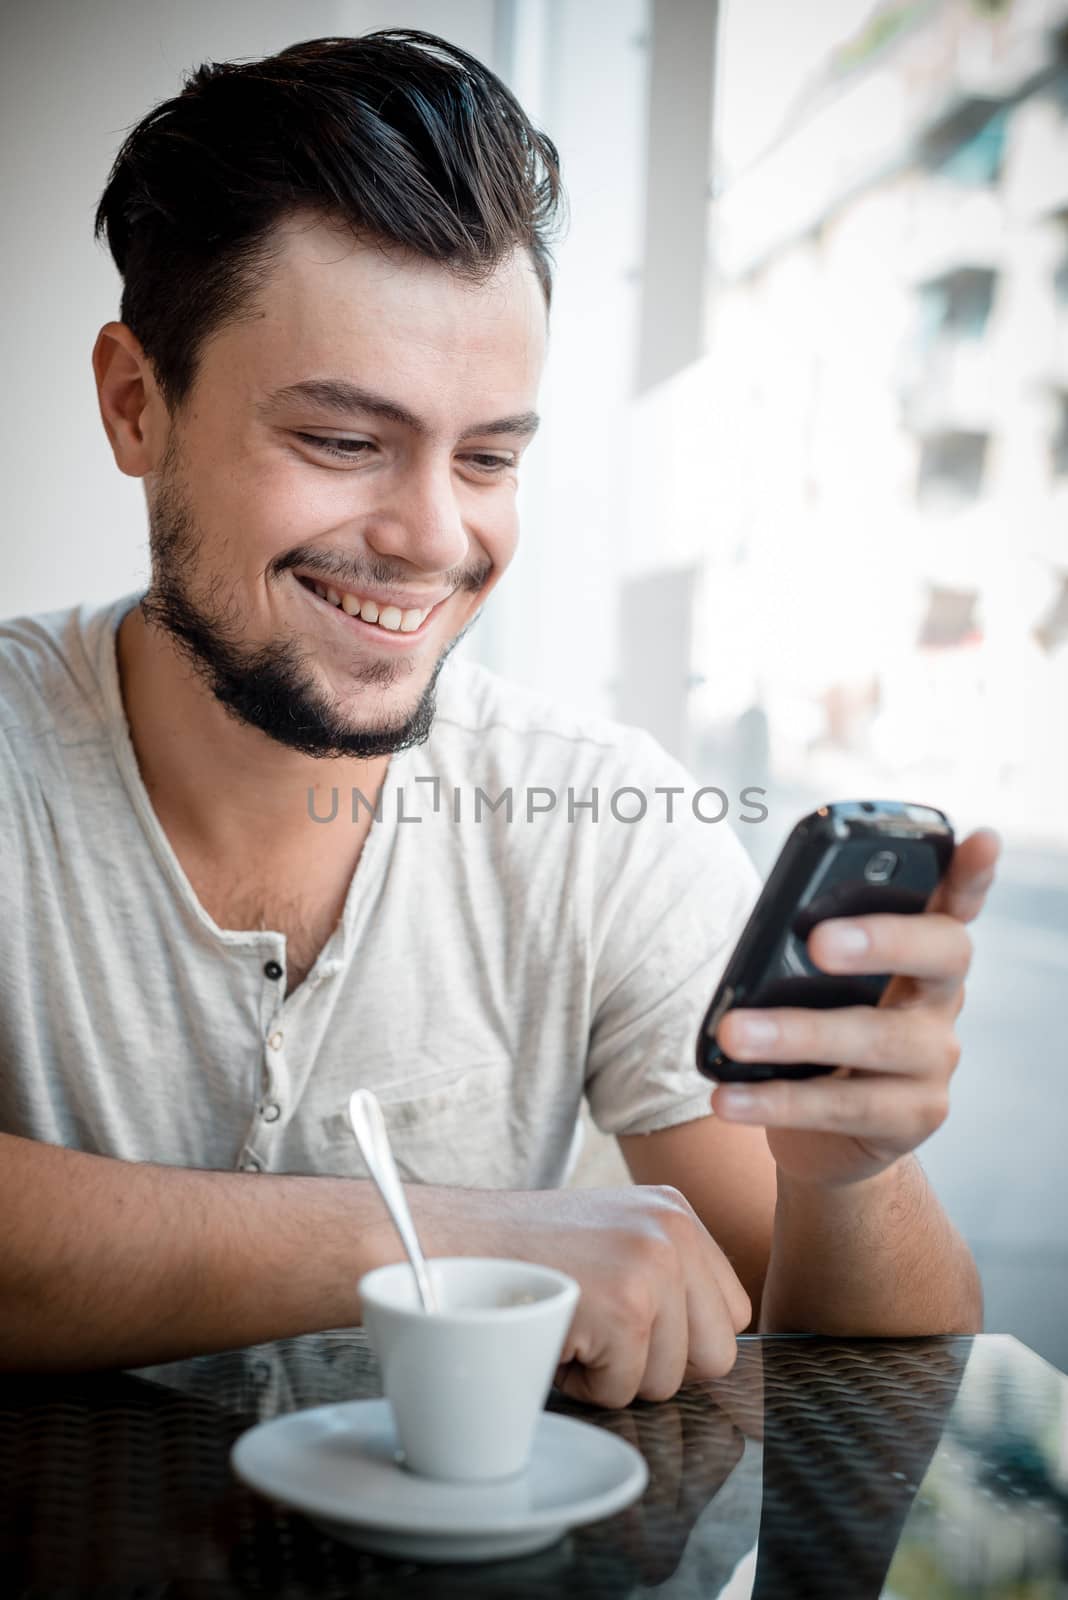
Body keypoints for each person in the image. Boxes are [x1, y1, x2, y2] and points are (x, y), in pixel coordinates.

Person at [0, 30, 998, 1408]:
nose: (432, 537)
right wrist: (439, 1236)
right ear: (135, 404)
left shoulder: (596, 818)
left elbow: (888, 1383)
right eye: (343, 441)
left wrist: (847, 1178)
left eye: (488, 458)